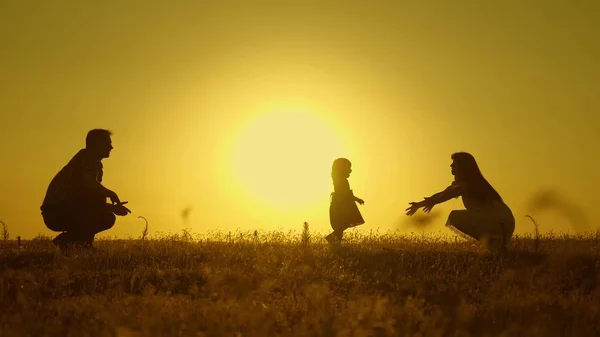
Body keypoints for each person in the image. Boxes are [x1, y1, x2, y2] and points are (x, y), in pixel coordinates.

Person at [40, 129, 131, 251]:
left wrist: (112, 207)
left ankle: (73, 243)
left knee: (106, 215)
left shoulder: (92, 163)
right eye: (108, 143)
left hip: (61, 211)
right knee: (103, 211)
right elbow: (89, 186)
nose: (111, 147)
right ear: (97, 144)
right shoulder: (87, 158)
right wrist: (110, 193)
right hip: (57, 212)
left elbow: (88, 200)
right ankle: (76, 243)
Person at [406, 152, 515, 252]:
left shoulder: (467, 185)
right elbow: (442, 194)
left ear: (463, 168)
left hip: (501, 222)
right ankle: (496, 248)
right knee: (459, 217)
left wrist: (428, 203)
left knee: (455, 217)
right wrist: (423, 203)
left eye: (454, 164)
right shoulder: (463, 184)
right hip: (501, 221)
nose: (451, 166)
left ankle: (495, 246)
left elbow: (445, 196)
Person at [326, 158, 365, 244]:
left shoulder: (338, 179)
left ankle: (335, 243)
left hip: (340, 204)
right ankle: (331, 238)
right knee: (343, 224)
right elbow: (345, 193)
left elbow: (346, 193)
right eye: (348, 168)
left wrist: (356, 199)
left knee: (342, 225)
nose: (350, 171)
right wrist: (357, 199)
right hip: (342, 206)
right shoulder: (341, 180)